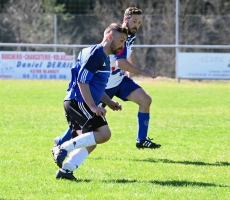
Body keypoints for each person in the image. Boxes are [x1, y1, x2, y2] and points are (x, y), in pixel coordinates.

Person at [52, 7, 161, 152]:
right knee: (88, 120)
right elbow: (120, 62)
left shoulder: (130, 36)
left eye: (139, 22)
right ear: (125, 20)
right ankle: (61, 142)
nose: (137, 25)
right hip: (104, 85)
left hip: (120, 80)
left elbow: (128, 54)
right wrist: (141, 71)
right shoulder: (118, 35)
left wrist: (130, 71)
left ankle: (141, 140)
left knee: (145, 100)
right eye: (134, 21)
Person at [53, 22, 128, 180]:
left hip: (74, 101)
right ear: (109, 36)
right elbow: (82, 80)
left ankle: (66, 171)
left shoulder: (101, 56)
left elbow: (95, 85)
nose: (123, 45)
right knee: (104, 134)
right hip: (79, 101)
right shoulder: (97, 54)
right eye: (121, 40)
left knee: (91, 141)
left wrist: (109, 102)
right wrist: (92, 106)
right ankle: (62, 147)